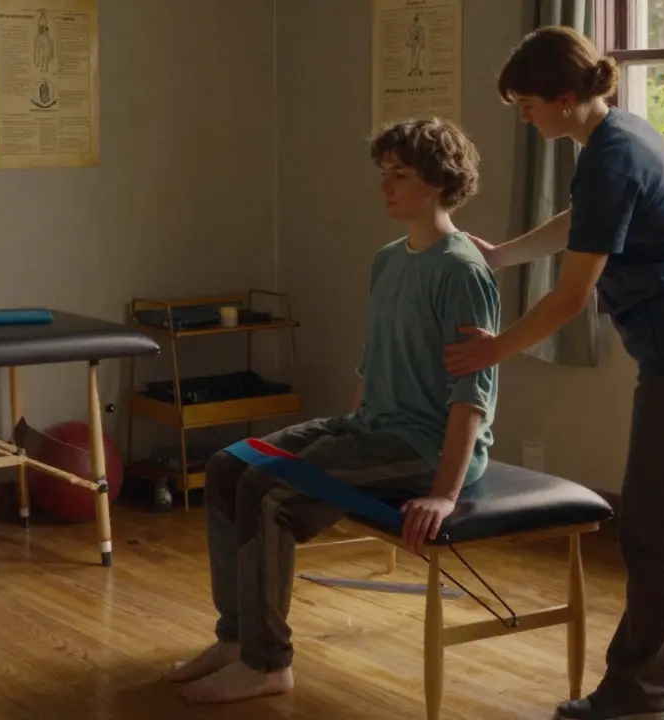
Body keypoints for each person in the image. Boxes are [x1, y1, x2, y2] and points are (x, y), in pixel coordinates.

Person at [443, 26, 664, 720]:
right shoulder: (618, 138)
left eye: (527, 105)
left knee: (657, 520)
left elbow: (571, 297)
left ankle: (635, 695)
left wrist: (495, 350)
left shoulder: (611, 158)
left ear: (564, 97)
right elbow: (586, 222)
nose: (523, 118)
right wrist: (503, 256)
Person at [166, 117, 500, 705]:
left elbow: (474, 394)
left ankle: (268, 663)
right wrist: (342, 437)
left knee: (269, 492)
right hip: (372, 430)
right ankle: (239, 636)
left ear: (440, 182)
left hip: (423, 450)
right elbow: (372, 367)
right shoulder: (388, 259)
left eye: (400, 175)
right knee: (227, 466)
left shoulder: (463, 270)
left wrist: (445, 494)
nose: (385, 186)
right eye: (383, 174)